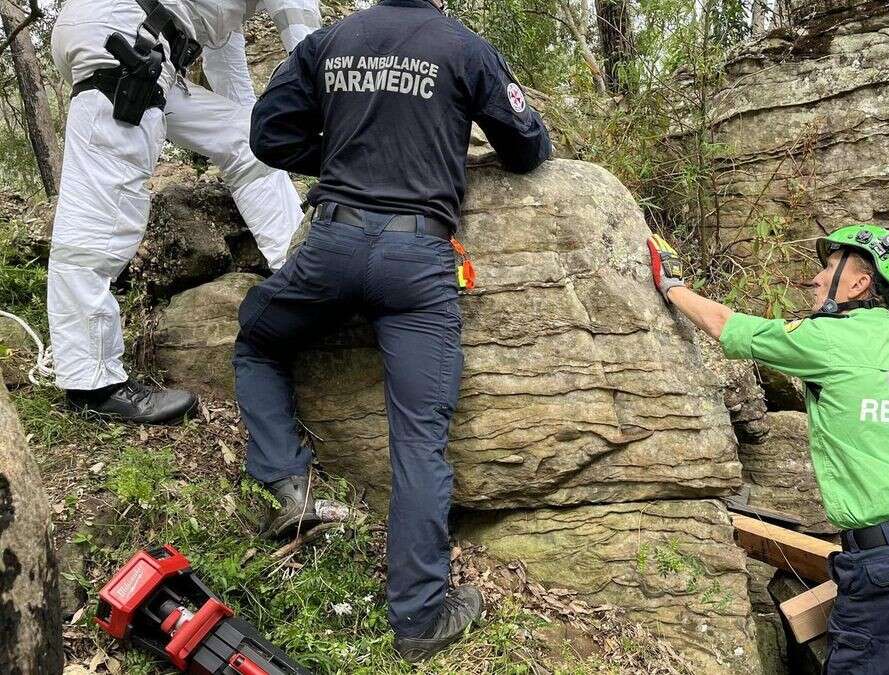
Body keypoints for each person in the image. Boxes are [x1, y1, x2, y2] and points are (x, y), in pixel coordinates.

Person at [236, 0, 552, 662]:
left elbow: (268, 135)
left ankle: (287, 483)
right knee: (418, 438)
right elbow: (524, 148)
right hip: (417, 262)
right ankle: (418, 616)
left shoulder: (330, 41)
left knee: (260, 339)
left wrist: (339, 153)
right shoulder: (465, 47)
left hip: (332, 243)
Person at [646, 225, 889, 673]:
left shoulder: (830, 338)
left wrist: (672, 285)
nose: (816, 279)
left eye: (829, 268)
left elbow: (728, 327)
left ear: (859, 284)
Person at [48, 0, 318, 424]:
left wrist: (262, 134)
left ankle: (294, 266)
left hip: (155, 48)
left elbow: (229, 72)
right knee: (104, 213)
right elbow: (306, 41)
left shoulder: (219, 10)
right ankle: (92, 383)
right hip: (127, 37)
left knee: (247, 142)